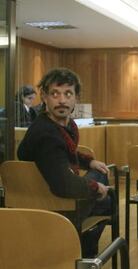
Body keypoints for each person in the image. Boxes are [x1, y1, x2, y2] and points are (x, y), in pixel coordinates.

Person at [17, 68, 111, 258]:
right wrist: (96, 187)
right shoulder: (47, 135)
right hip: (56, 208)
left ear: (76, 97)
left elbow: (65, 152)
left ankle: (81, 250)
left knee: (100, 171)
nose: (62, 100)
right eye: (55, 94)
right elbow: (64, 185)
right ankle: (83, 253)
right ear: (44, 97)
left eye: (68, 94)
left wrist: (89, 161)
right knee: (109, 201)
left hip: (35, 201)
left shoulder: (55, 125)